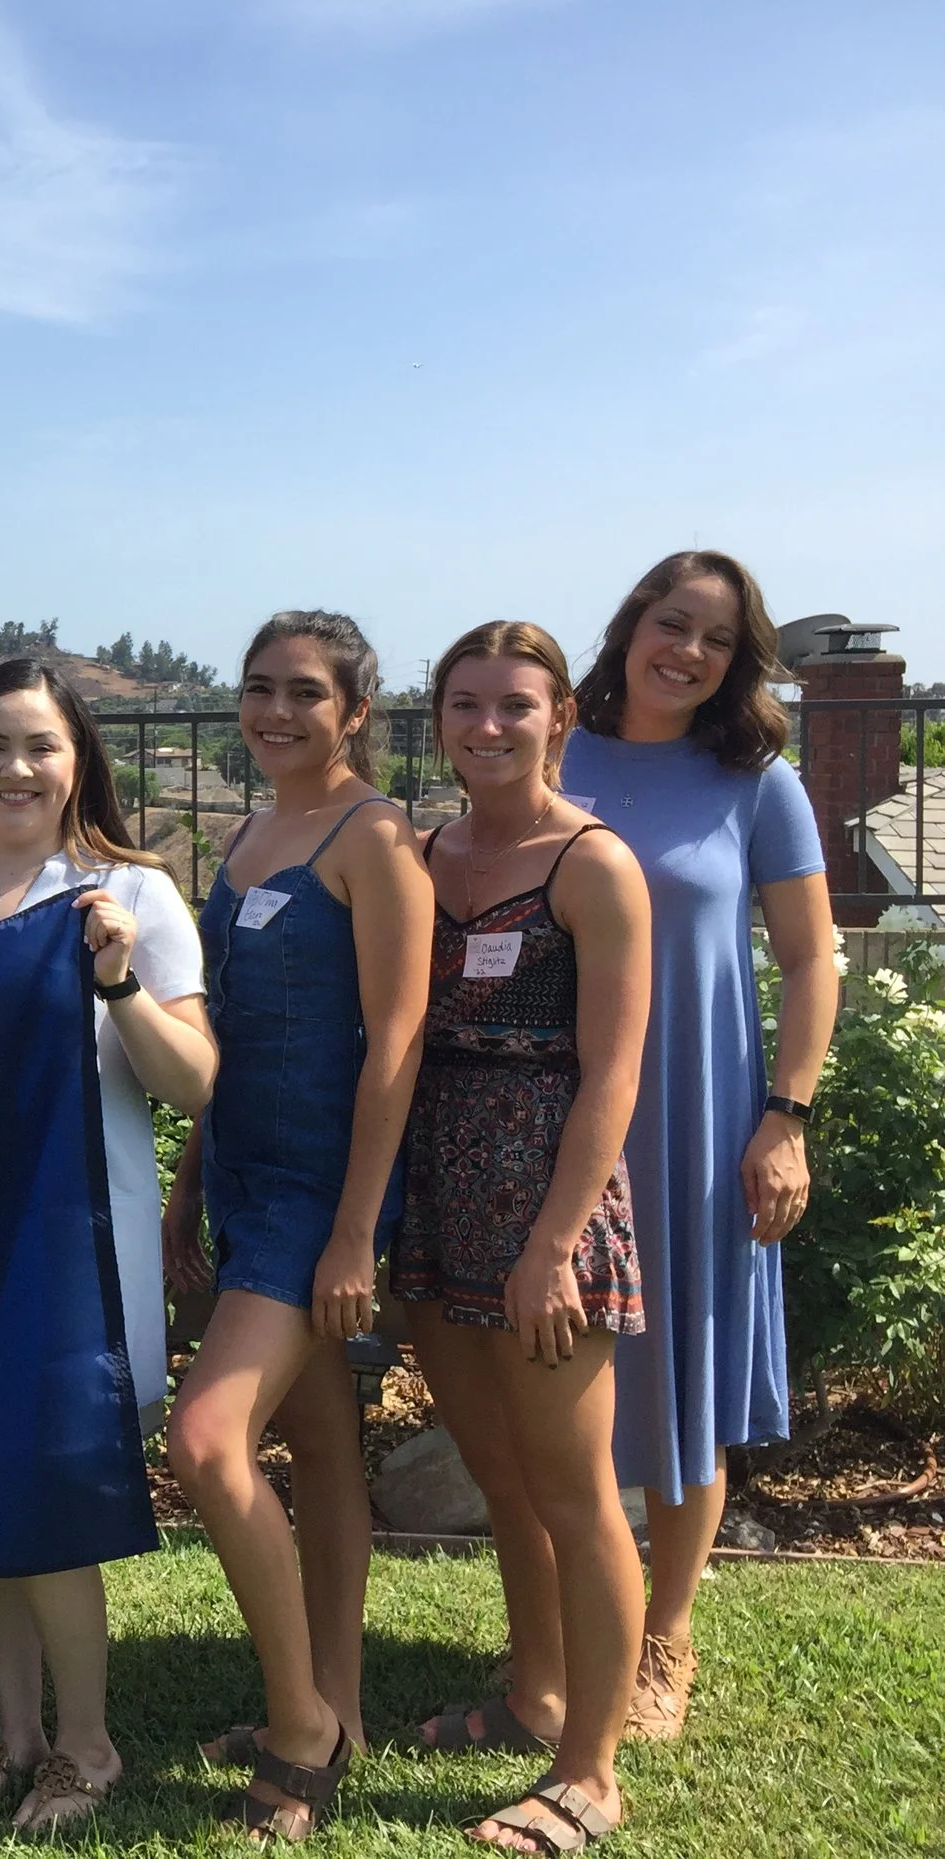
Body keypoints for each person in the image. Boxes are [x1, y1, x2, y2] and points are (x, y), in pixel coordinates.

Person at [0, 660, 217, 1832]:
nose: (14, 769)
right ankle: (16, 1727)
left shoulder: (129, 894)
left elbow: (192, 1086)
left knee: (47, 1495)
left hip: (72, 1251)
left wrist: (120, 983)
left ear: (79, 759)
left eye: (38, 746)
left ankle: (87, 1745)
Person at [162, 610, 432, 1842]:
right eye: (259, 689)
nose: (276, 711)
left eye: (306, 694)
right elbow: (221, 1040)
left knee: (209, 1442)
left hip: (318, 1199)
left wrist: (351, 1235)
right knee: (320, 1448)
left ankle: (300, 1729)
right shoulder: (249, 832)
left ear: (355, 712)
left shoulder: (374, 839)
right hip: (241, 1181)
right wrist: (186, 1188)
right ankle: (346, 1705)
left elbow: (397, 1046)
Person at [561, 552, 838, 1742]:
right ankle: (565, 1635)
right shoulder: (547, 744)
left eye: (717, 641)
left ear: (736, 664)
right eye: (673, 623)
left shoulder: (755, 782)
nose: (688, 652)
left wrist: (787, 1116)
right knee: (553, 1380)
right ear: (632, 624)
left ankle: (663, 1640)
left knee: (685, 1377)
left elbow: (811, 958)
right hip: (546, 1112)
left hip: (694, 1117)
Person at [388, 623, 650, 1854]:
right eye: (463, 705)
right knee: (497, 1474)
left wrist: (553, 1242)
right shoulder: (421, 852)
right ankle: (533, 1693)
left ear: (560, 716)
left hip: (547, 1202)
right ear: (434, 717)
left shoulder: (594, 866)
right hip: (440, 1188)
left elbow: (612, 1078)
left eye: (515, 706)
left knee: (574, 1490)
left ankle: (591, 1769)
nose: (487, 727)